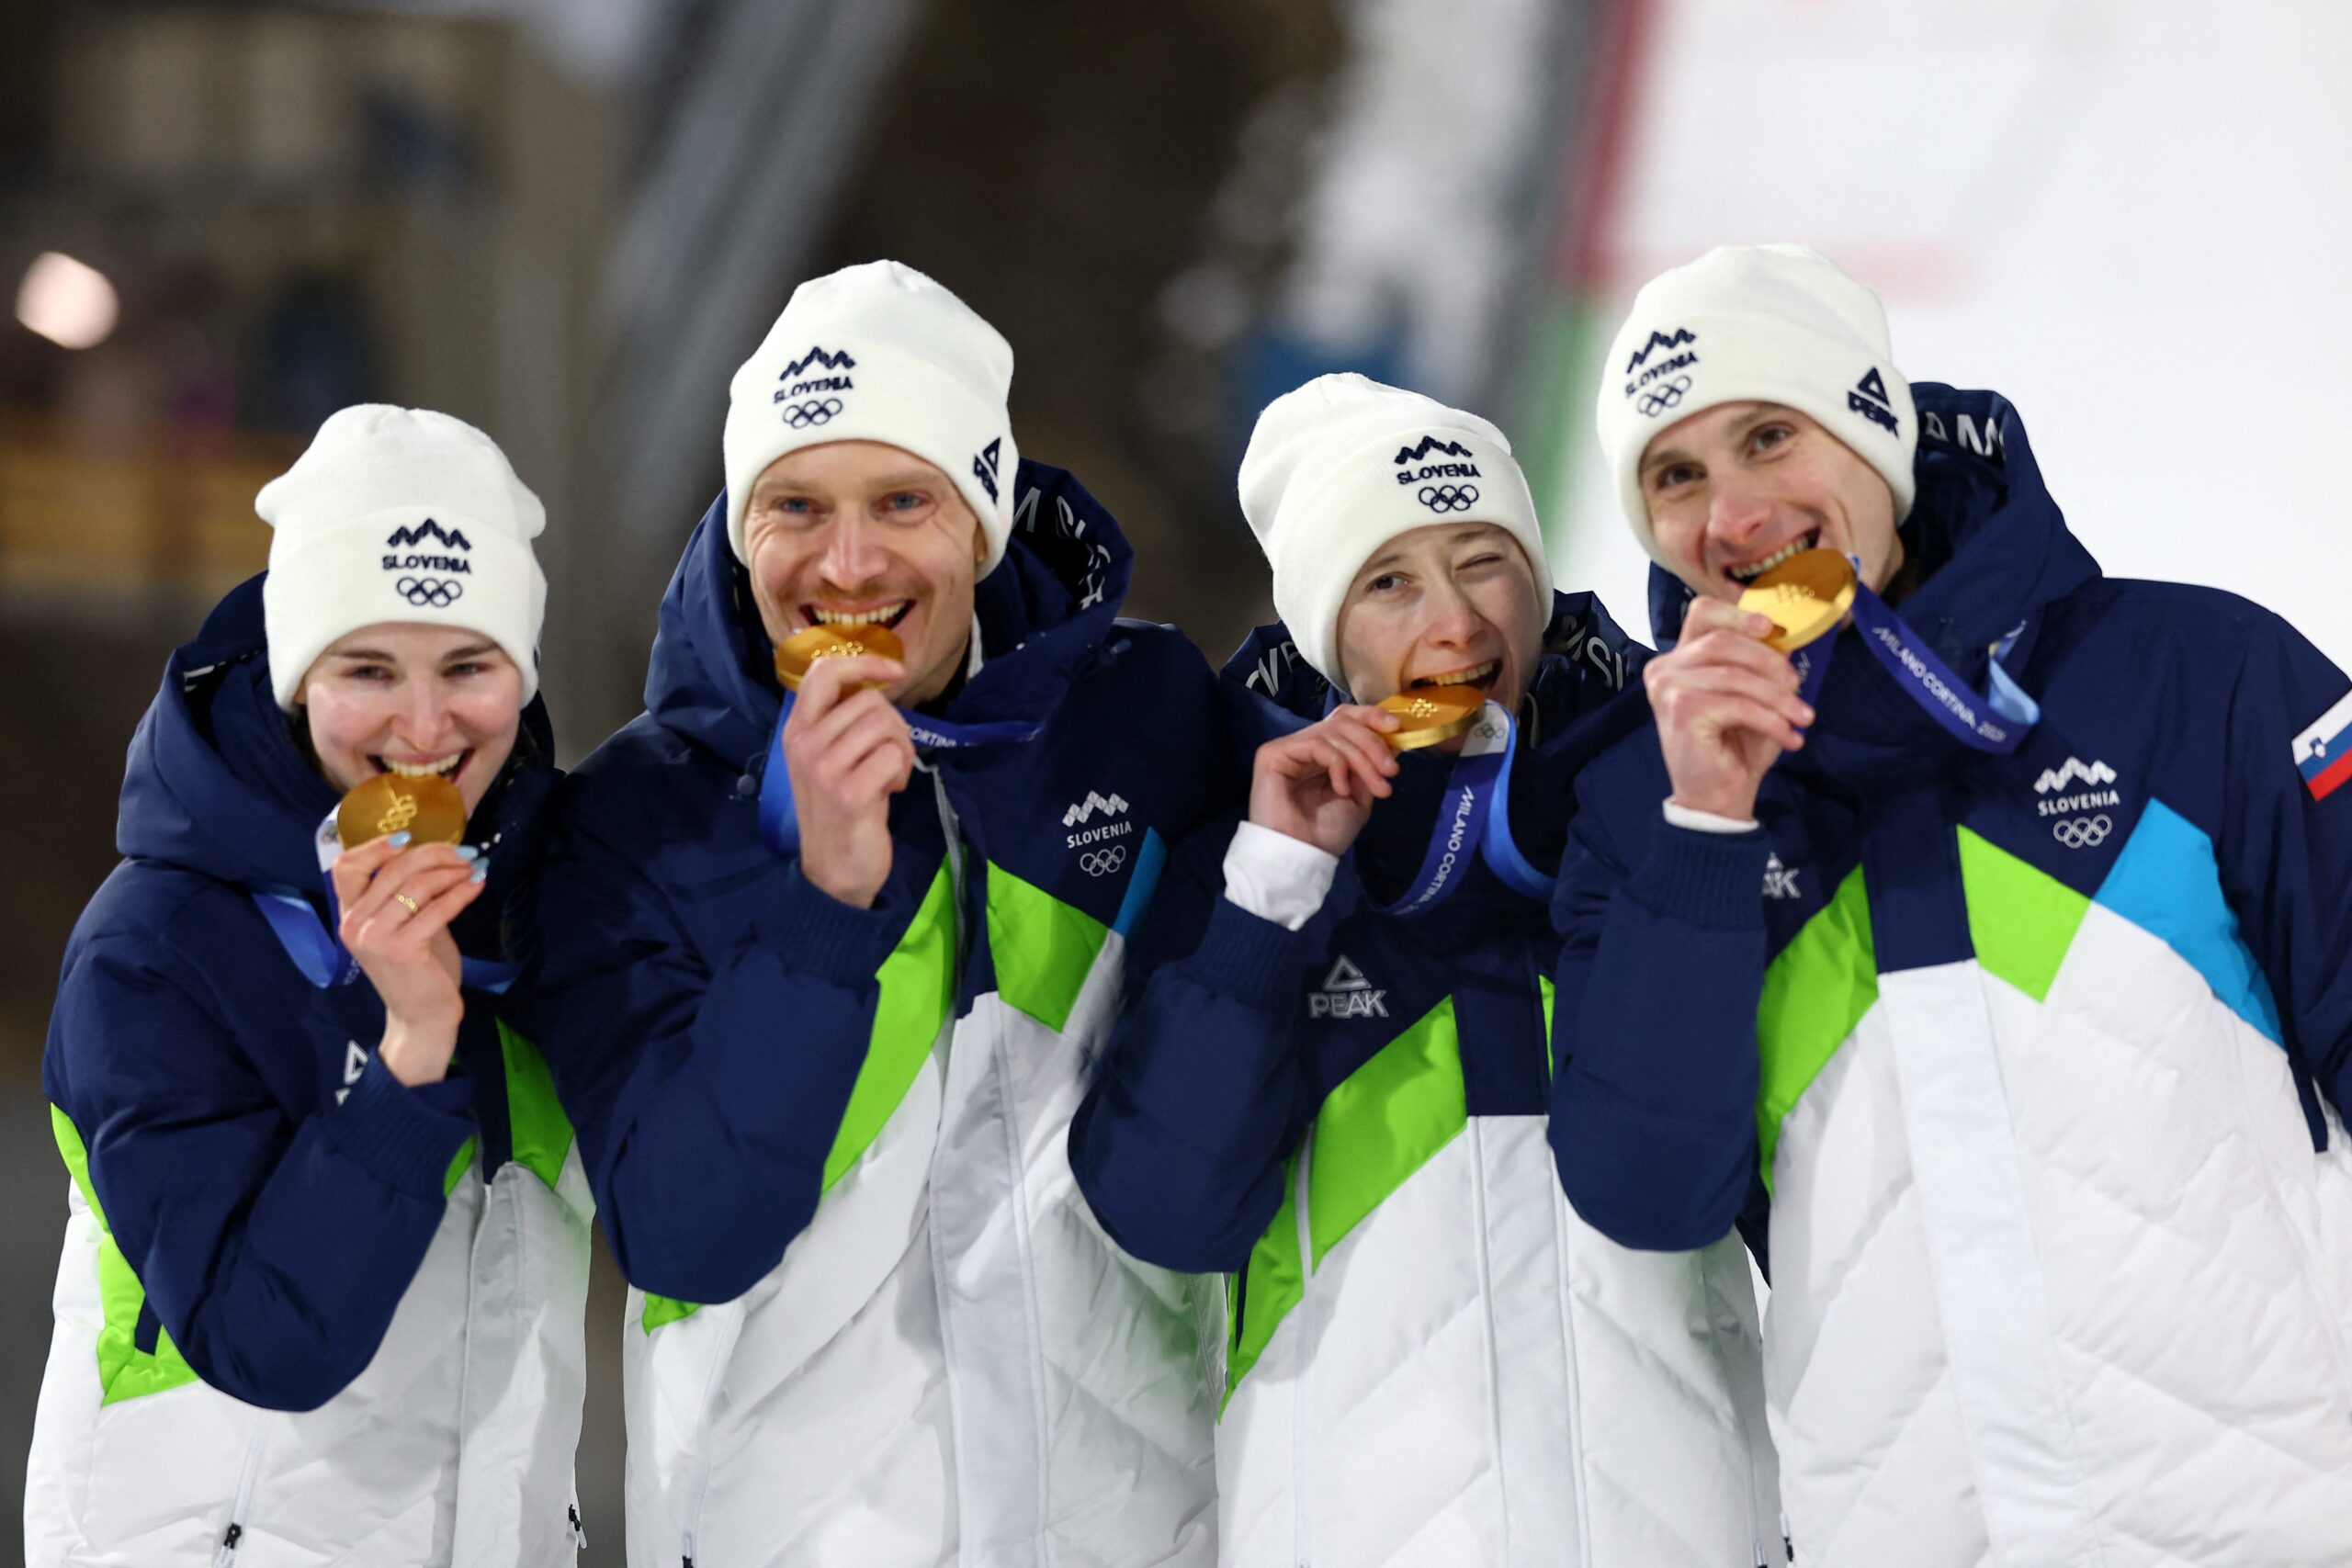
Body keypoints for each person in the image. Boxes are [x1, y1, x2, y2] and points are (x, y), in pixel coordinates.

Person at [1551, 243, 2352, 1564]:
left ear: (1877, 432)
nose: (1734, 517)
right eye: (1675, 475)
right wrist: (1704, 829)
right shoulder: (1641, 804)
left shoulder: (2189, 670)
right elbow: (1650, 1193)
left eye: (1768, 436)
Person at [514, 261, 1240, 1567]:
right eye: (794, 504)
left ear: (983, 519)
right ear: (744, 529)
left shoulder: (1151, 721)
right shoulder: (634, 822)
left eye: (903, 499)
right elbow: (685, 1232)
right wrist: (824, 909)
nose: (845, 563)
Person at [1071, 373, 1784, 1567]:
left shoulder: (1657, 804)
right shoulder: (1235, 862)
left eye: (1483, 560)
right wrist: (1277, 887)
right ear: (1323, 628)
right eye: (1390, 581)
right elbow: (1164, 1210)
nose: (1455, 622)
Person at [29, 406, 591, 1566]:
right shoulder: (159, 943)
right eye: (368, 668)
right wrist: (410, 1049)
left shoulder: (552, 909)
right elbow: (265, 1343)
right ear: (296, 679)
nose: (424, 725)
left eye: (469, 666)